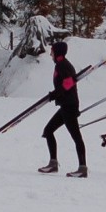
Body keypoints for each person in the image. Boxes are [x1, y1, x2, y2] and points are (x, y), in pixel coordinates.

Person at [38, 41, 88, 178]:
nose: (50, 54)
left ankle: (82, 168)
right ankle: (53, 164)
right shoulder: (62, 64)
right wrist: (55, 94)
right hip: (66, 105)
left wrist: (54, 94)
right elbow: (66, 84)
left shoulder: (62, 65)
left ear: (57, 52)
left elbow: (68, 84)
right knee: (48, 131)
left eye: (52, 51)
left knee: (76, 137)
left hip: (69, 107)